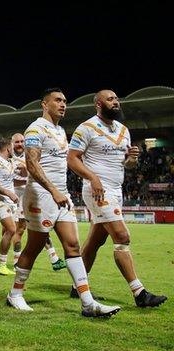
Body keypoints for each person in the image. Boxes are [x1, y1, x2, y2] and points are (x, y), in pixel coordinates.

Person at [6, 88, 120, 317]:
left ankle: (87, 303)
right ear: (44, 104)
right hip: (40, 194)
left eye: (65, 101)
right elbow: (32, 164)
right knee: (35, 246)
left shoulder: (59, 130)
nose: (63, 104)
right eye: (57, 100)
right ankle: (15, 294)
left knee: (73, 246)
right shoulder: (35, 128)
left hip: (61, 195)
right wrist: (53, 190)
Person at [67, 89, 167, 307]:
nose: (116, 102)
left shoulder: (123, 130)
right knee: (122, 236)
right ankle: (139, 293)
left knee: (95, 241)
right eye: (110, 99)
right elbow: (72, 159)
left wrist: (131, 159)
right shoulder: (86, 128)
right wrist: (92, 178)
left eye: (117, 99)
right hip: (97, 191)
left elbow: (126, 164)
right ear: (98, 104)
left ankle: (77, 287)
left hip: (116, 190)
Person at [11, 133, 66, 271]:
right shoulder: (9, 160)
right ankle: (17, 261)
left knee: (43, 227)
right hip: (17, 199)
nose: (20, 144)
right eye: (17, 142)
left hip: (34, 196)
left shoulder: (30, 155)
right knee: (20, 229)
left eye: (22, 141)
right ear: (12, 144)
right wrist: (28, 176)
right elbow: (11, 181)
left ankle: (54, 259)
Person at [0, 138, 21, 275]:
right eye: (13, 147)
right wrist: (8, 193)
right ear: (8, 148)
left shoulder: (11, 162)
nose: (14, 150)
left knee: (7, 231)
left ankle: (5, 263)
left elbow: (24, 166)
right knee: (11, 230)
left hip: (11, 201)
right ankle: (1, 265)